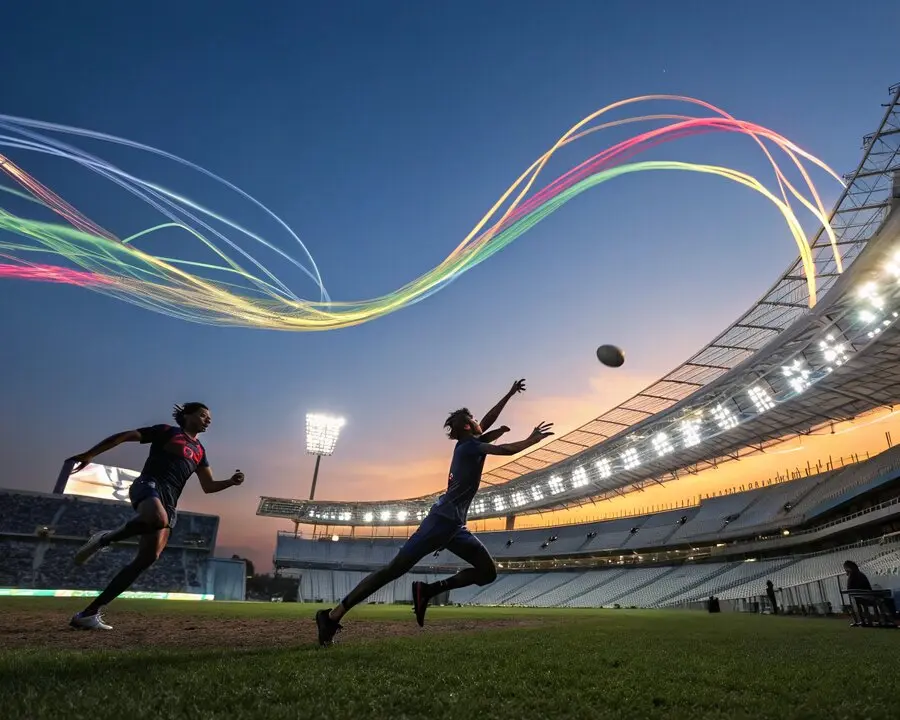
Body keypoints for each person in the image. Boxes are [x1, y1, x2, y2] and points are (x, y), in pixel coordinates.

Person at [315, 379, 553, 646]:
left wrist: (509, 394)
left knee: (487, 572)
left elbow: (486, 421)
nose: (478, 421)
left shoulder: (468, 443)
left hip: (454, 527)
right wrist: (532, 438)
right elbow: (506, 449)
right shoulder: (471, 446)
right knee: (392, 570)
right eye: (473, 420)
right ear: (467, 426)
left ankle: (428, 591)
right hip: (440, 523)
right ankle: (332, 617)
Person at [67, 402, 245, 630]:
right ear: (187, 415)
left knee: (148, 557)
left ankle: (88, 613)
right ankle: (104, 539)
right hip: (148, 484)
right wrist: (90, 454)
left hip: (170, 502)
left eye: (209, 417)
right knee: (158, 519)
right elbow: (123, 436)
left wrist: (230, 482)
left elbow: (208, 486)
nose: (208, 420)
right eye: (202, 415)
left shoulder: (200, 451)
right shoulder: (167, 432)